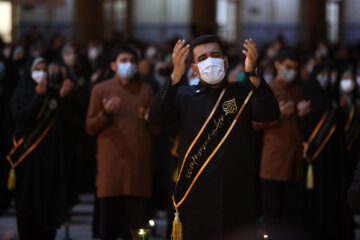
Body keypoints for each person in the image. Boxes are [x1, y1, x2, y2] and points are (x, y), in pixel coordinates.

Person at [149, 35, 280, 240]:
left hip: (238, 193)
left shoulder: (243, 92)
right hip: (196, 194)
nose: (210, 61)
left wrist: (253, 73)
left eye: (215, 55)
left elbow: (270, 114)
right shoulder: (184, 95)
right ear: (194, 68)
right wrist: (175, 75)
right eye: (202, 58)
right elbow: (156, 117)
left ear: (226, 61)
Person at [86, 46, 154, 240]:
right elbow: (90, 127)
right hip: (111, 170)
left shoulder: (146, 90)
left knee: (136, 232)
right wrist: (106, 113)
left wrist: (152, 120)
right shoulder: (101, 89)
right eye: (124, 60)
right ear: (113, 65)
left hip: (137, 170)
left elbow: (156, 129)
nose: (129, 65)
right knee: (108, 230)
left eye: (132, 61)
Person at [8, 56, 73, 239]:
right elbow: (22, 120)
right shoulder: (21, 93)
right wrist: (37, 96)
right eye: (38, 69)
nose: (42, 73)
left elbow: (66, 123)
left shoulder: (54, 93)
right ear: (30, 71)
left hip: (51, 161)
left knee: (48, 206)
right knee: (28, 207)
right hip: (28, 162)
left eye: (45, 68)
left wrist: (65, 98)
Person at [255, 48, 310, 238]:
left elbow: (296, 126)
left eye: (294, 68)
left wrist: (302, 116)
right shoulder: (268, 88)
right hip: (274, 163)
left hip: (294, 162)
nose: (292, 71)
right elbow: (254, 123)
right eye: (288, 67)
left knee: (290, 212)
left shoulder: (297, 90)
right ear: (277, 65)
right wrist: (278, 114)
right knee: (272, 213)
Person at [301, 64, 354, 240]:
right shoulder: (308, 95)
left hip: (334, 162)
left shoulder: (334, 98)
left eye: (327, 74)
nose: (325, 77)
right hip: (315, 164)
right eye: (321, 74)